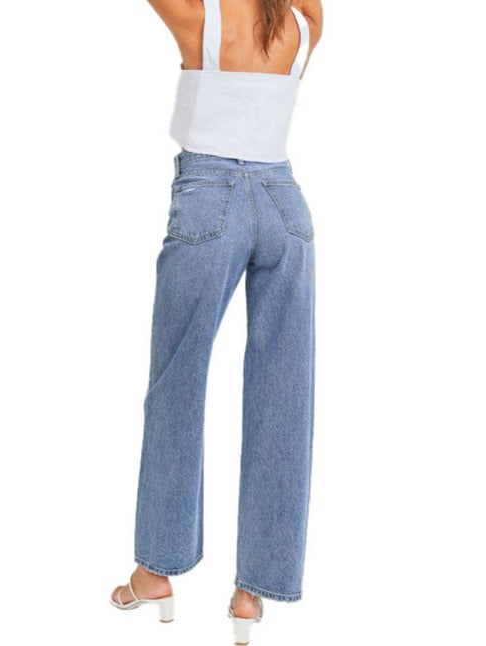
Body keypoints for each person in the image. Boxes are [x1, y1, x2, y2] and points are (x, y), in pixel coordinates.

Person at [110, 1, 323, 643]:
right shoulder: (306, 24)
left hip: (210, 200)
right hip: (285, 203)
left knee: (176, 385)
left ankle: (155, 570)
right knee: (284, 396)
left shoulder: (201, 17)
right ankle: (253, 592)